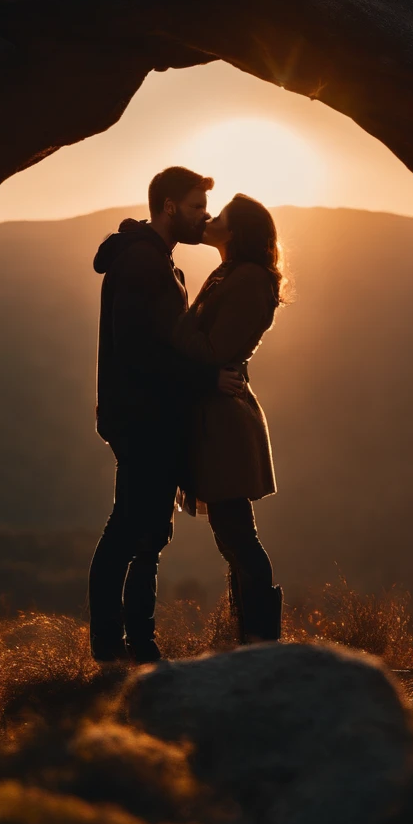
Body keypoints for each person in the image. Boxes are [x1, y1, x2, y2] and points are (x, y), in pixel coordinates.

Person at [88, 167, 245, 663]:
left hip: (152, 416)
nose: (204, 217)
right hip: (141, 419)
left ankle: (140, 646)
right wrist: (205, 380)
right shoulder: (140, 263)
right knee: (129, 529)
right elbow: (134, 348)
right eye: (197, 207)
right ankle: (113, 649)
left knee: (150, 532)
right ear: (171, 207)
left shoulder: (159, 262)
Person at [172, 193, 284, 643]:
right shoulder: (228, 274)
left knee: (237, 533)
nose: (209, 218)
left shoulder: (250, 279)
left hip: (225, 425)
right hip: (213, 417)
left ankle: (260, 640)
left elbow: (217, 351)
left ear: (234, 232)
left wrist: (171, 332)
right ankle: (251, 637)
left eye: (217, 216)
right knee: (231, 535)